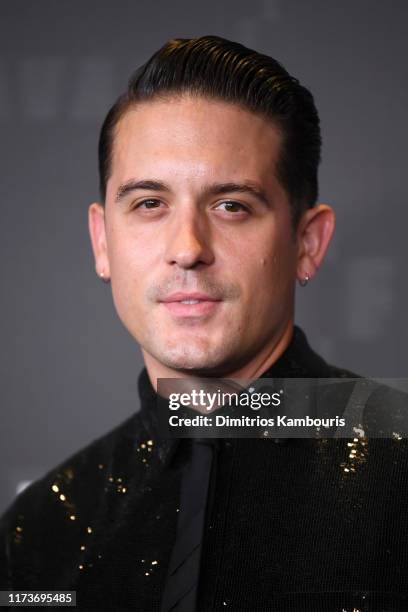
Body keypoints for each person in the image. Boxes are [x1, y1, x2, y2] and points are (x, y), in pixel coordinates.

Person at [1, 35, 407, 611]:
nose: (188, 248)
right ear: (102, 241)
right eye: (149, 204)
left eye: (231, 205)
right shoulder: (36, 534)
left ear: (308, 242)